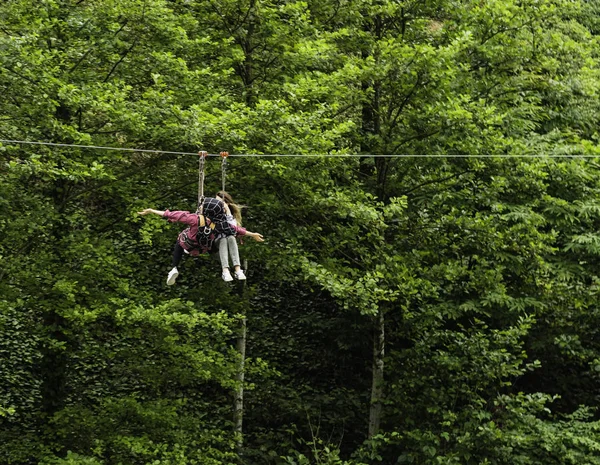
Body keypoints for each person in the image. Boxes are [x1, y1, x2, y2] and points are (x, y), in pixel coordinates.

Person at [137, 197, 263, 285]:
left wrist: (152, 211)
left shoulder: (195, 219)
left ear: (206, 210)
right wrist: (252, 234)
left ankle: (174, 267)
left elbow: (172, 215)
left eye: (203, 205)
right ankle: (231, 270)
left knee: (181, 237)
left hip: (188, 245)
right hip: (204, 248)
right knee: (225, 238)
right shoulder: (219, 223)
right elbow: (236, 229)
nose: (201, 206)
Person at [213, 191, 264, 282]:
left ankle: (237, 269)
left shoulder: (230, 216)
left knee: (231, 237)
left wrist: (228, 212)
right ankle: (225, 270)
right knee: (223, 239)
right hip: (215, 242)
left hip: (227, 240)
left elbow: (234, 229)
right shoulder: (213, 214)